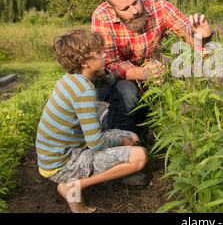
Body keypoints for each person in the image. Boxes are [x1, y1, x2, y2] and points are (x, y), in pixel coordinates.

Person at [35, 28, 148, 213]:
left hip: (55, 154)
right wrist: (121, 141)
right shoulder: (83, 91)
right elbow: (95, 142)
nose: (105, 55)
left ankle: (74, 184)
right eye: (99, 53)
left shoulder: (73, 79)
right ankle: (73, 185)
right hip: (62, 164)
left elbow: (110, 81)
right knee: (140, 156)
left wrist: (102, 72)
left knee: (134, 137)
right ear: (83, 62)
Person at [92, 0, 213, 135]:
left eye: (134, 2)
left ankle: (140, 129)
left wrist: (203, 37)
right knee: (127, 93)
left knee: (141, 120)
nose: (134, 11)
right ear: (112, 8)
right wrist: (142, 73)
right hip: (114, 79)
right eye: (125, 9)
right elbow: (109, 65)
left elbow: (186, 30)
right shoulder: (101, 17)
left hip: (151, 74)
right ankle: (112, 128)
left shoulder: (159, 5)